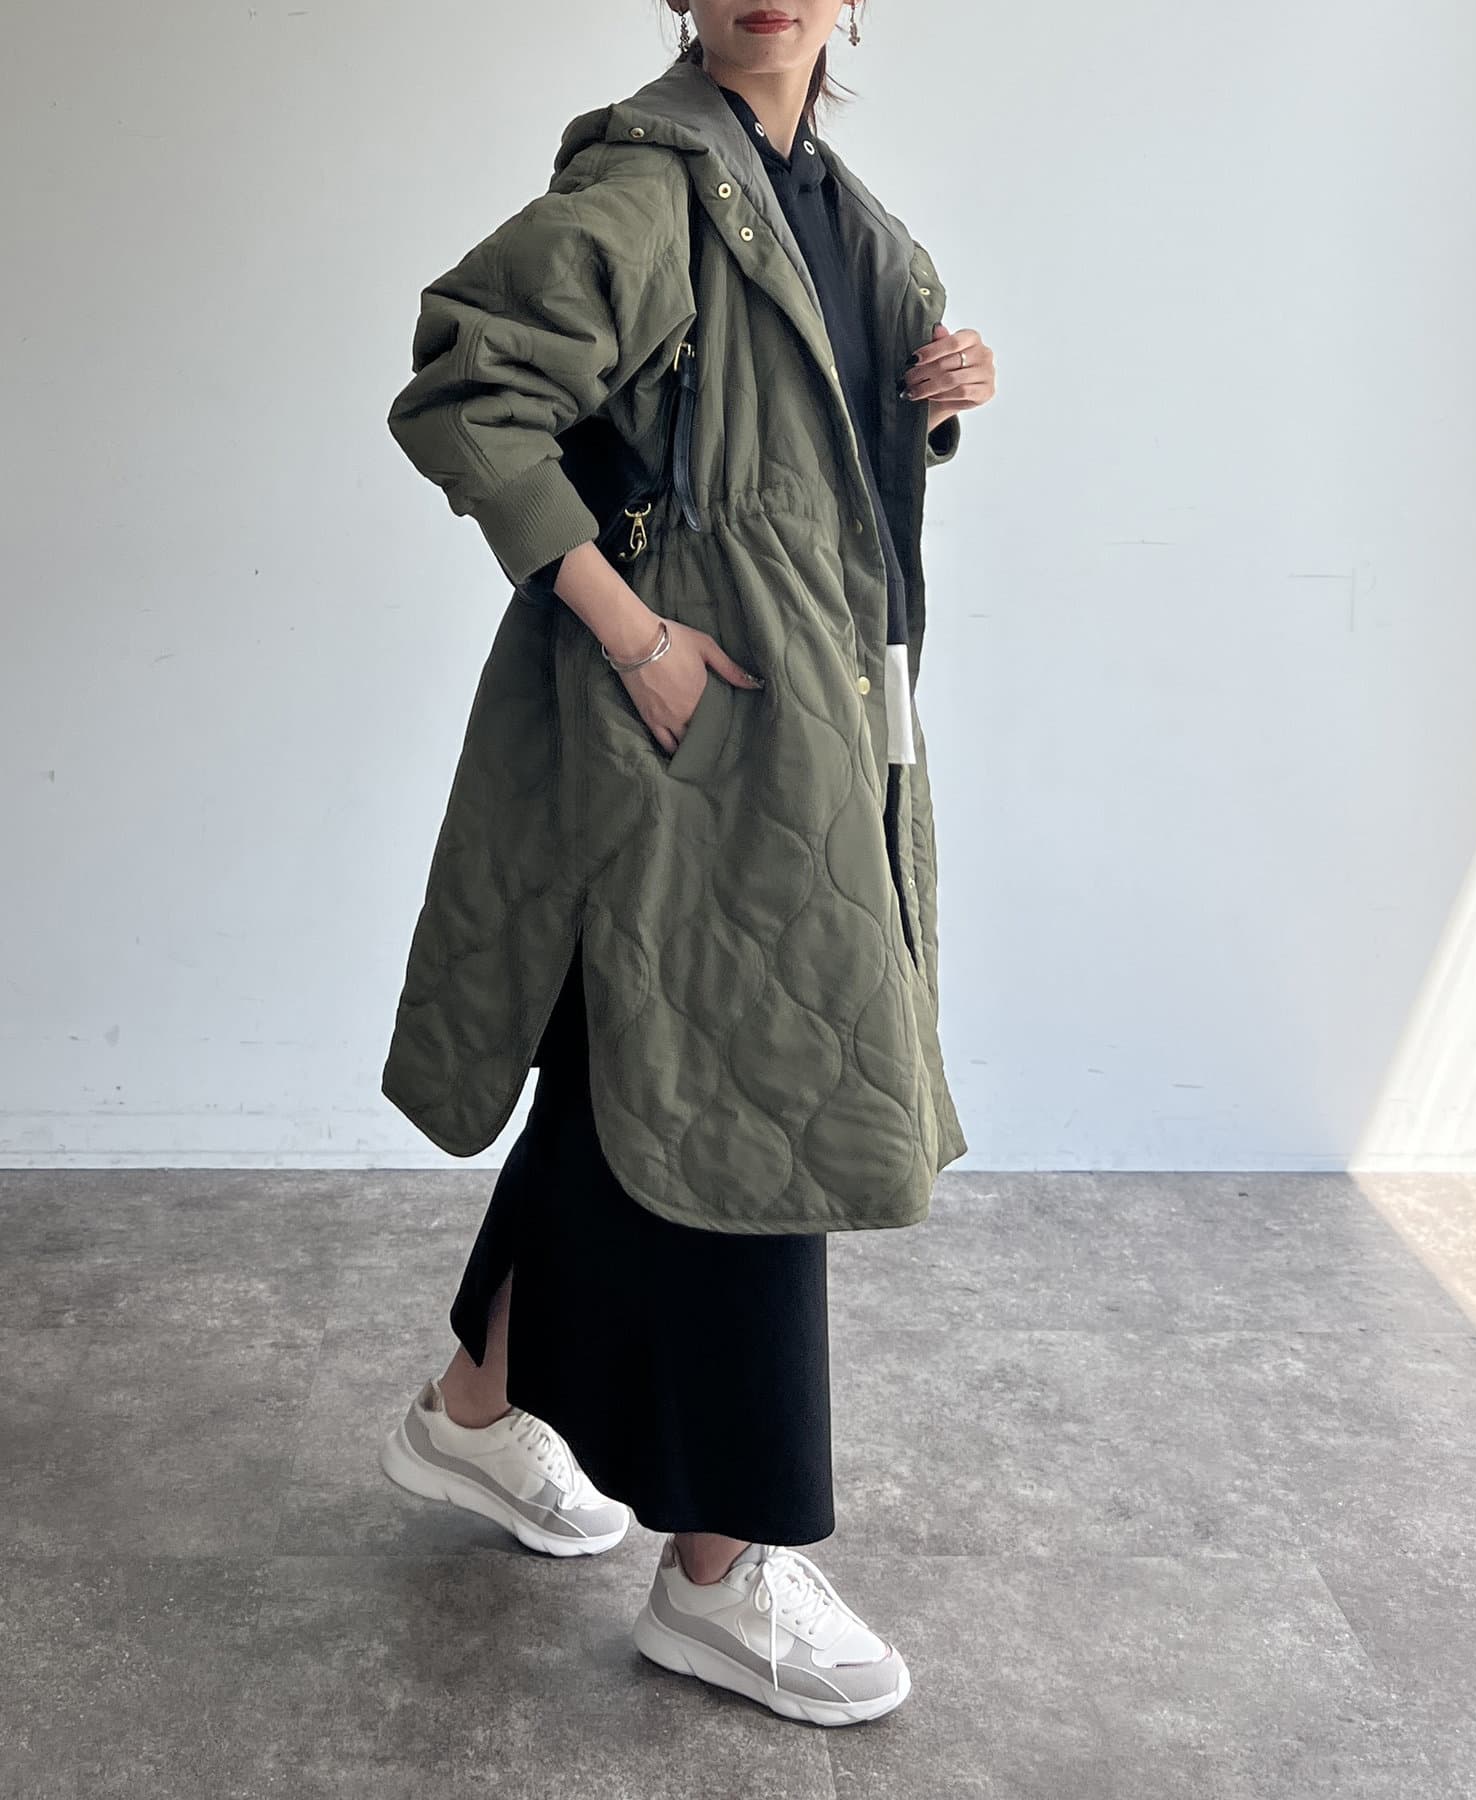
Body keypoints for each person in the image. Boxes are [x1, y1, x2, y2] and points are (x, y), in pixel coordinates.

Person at [377, 0, 996, 1728]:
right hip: (694, 724)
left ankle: (474, 1417)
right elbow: (467, 391)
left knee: (629, 1073)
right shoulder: (654, 187)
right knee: (755, 1100)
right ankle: (724, 1573)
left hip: (798, 727)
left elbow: (812, 464)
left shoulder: (849, 221)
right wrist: (633, 633)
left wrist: (937, 398)